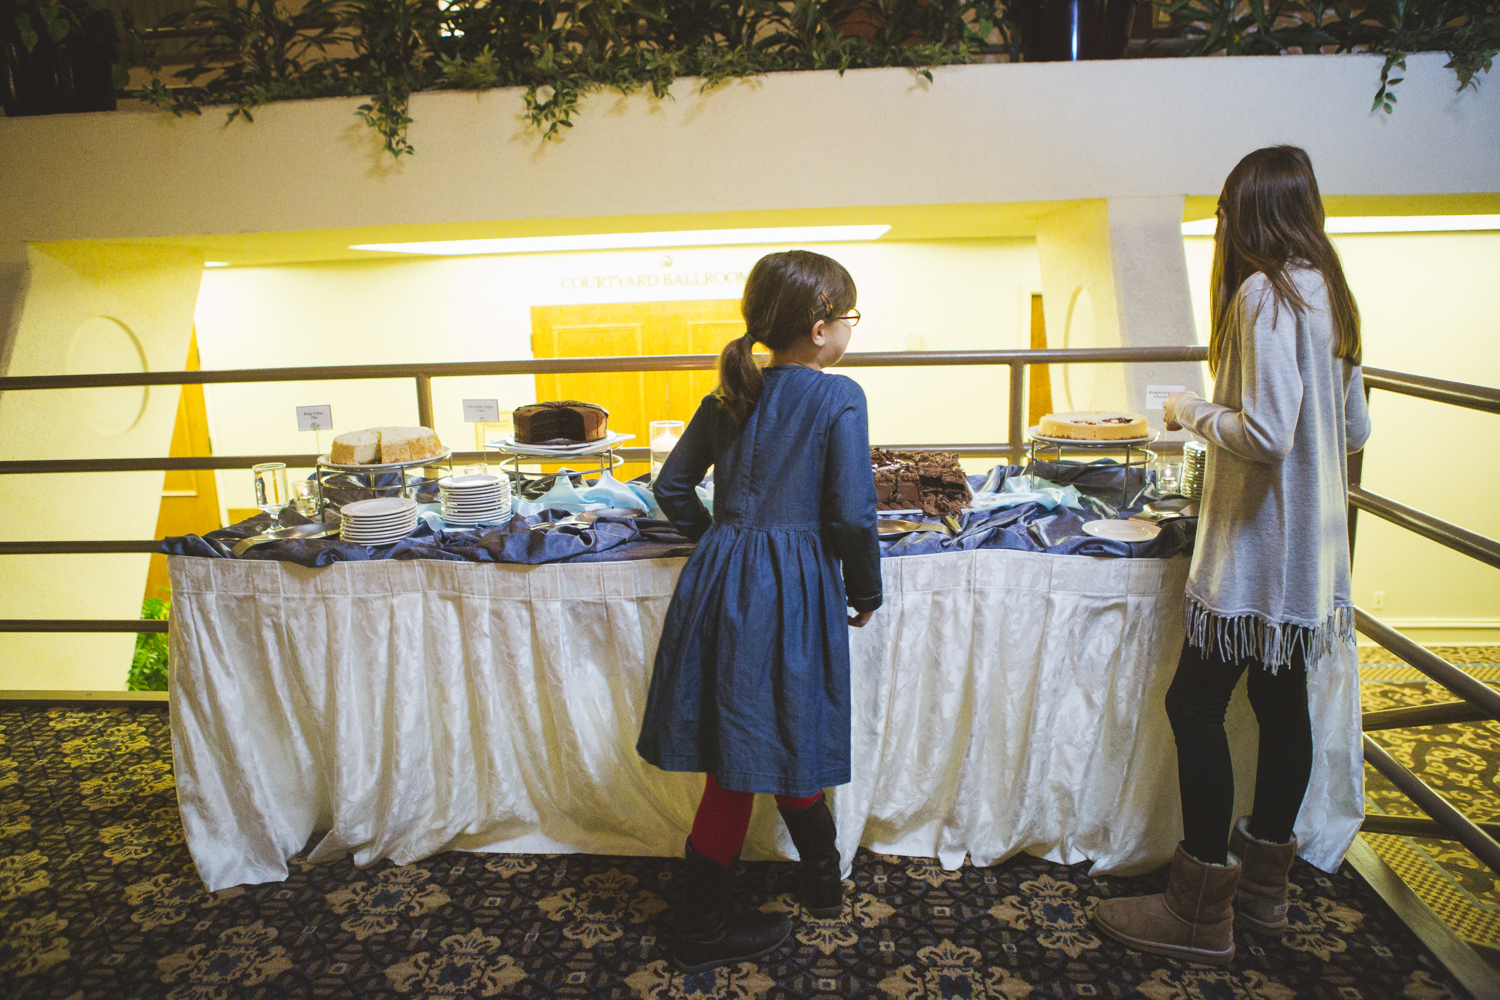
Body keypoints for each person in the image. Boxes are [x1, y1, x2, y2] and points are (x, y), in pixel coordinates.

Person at [1094, 145, 1372, 965]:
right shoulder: (1332, 293)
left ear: (1244, 217)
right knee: (1284, 711)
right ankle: (1265, 892)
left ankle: (1197, 907)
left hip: (1257, 554)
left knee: (1193, 705)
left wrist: (1191, 408)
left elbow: (1264, 434)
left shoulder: (1262, 294)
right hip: (1312, 559)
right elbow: (1352, 431)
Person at [636, 249, 882, 974]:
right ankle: (732, 917)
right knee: (784, 731)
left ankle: (802, 883)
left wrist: (720, 541)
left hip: (720, 580)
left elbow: (672, 488)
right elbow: (853, 514)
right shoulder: (840, 397)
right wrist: (865, 589)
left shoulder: (726, 397)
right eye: (849, 317)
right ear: (819, 325)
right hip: (795, 585)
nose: (850, 331)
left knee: (735, 747)